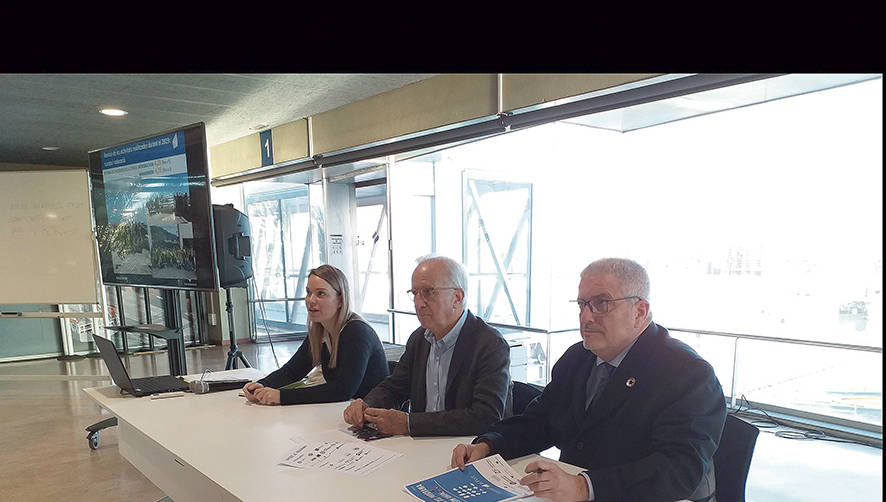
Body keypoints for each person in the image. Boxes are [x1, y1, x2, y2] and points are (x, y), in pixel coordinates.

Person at [451, 258, 726, 502]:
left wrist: (585, 487)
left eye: (601, 304)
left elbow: (679, 467)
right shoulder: (578, 358)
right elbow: (542, 420)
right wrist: (489, 445)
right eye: (582, 304)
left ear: (640, 312)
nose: (586, 316)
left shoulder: (687, 373)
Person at [342, 255, 511, 437]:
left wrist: (409, 424)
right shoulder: (419, 338)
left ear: (457, 297)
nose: (419, 303)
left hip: (469, 448)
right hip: (423, 446)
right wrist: (366, 405)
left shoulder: (490, 344)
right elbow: (394, 387)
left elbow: (485, 417)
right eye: (415, 293)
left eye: (428, 292)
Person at [242, 264, 389, 406]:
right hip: (344, 410)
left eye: (321, 294)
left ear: (340, 300)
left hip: (372, 417)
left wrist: (282, 396)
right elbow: (293, 371)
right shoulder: (320, 330)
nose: (310, 300)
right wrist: (262, 384)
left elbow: (342, 390)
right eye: (308, 292)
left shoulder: (357, 332)